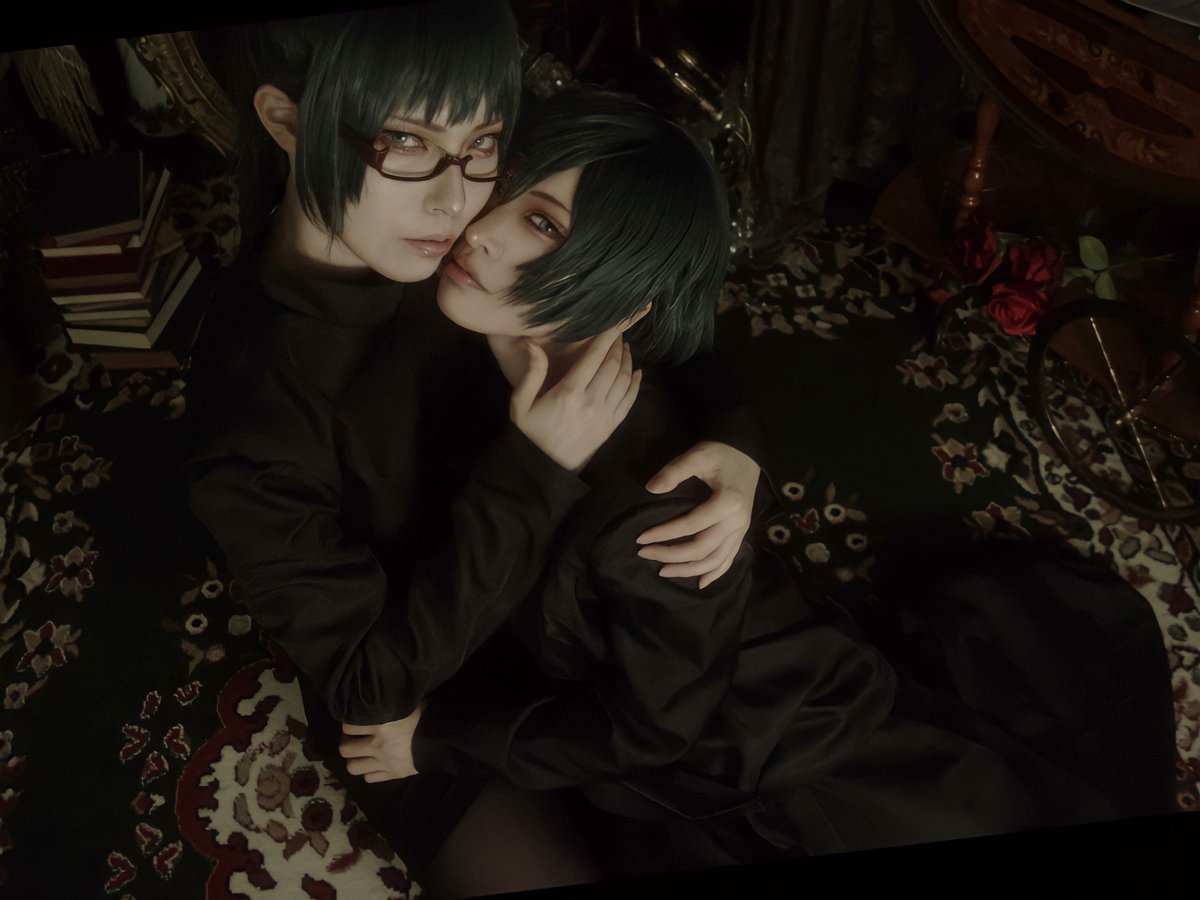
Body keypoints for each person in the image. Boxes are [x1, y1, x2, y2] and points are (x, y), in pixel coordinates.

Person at [338, 85, 1180, 880]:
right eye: (506, 187)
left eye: (543, 224)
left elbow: (655, 730)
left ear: (621, 291)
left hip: (770, 760)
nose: (479, 228)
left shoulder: (646, 509)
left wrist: (438, 741)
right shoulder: (506, 330)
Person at [184, 2, 766, 891]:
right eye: (405, 143)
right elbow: (369, 683)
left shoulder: (453, 233)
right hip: (421, 673)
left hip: (566, 602)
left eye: (482, 143)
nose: (459, 205)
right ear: (287, 122)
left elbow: (629, 280)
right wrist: (533, 472)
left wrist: (736, 442)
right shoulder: (255, 415)